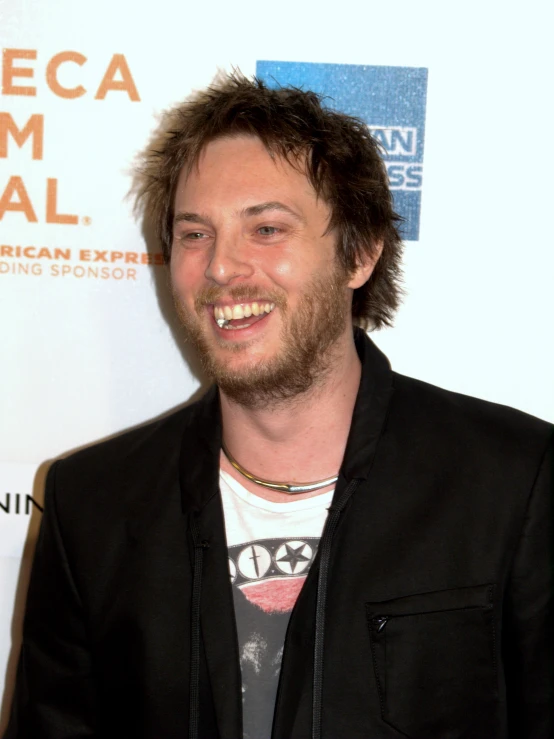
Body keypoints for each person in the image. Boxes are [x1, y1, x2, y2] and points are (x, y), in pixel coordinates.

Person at [4, 73, 552, 739]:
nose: (222, 268)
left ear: (360, 252)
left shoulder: (513, 483)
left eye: (266, 227)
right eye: (195, 233)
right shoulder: (90, 505)